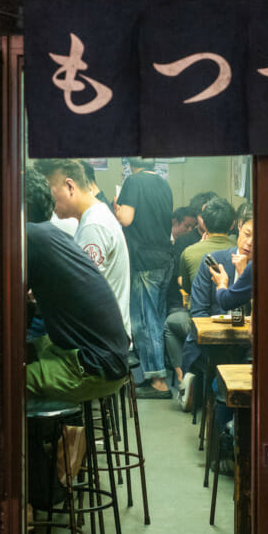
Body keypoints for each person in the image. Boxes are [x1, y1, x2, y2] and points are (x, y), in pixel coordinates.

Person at [23, 168, 130, 403]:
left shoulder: (29, 236)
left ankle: (41, 439)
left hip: (94, 367)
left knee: (1, 381)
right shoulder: (53, 234)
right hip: (109, 357)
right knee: (31, 346)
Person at [35, 158, 131, 343]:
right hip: (102, 334)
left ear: (70, 186)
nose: (47, 200)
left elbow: (80, 291)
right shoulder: (93, 217)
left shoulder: (94, 225)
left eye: (50, 192)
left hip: (101, 342)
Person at [180, 212, 254, 411]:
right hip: (216, 342)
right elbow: (198, 310)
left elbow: (238, 306)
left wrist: (243, 274)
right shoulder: (214, 260)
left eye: (258, 238)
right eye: (247, 234)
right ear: (238, 227)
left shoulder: (262, 267)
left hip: (248, 344)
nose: (250, 242)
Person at [115, 158, 174, 399]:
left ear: (129, 162)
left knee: (144, 321)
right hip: (164, 258)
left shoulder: (133, 181)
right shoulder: (163, 183)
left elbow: (126, 219)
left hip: (145, 261)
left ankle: (158, 380)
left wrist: (116, 207)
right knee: (156, 319)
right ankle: (156, 374)